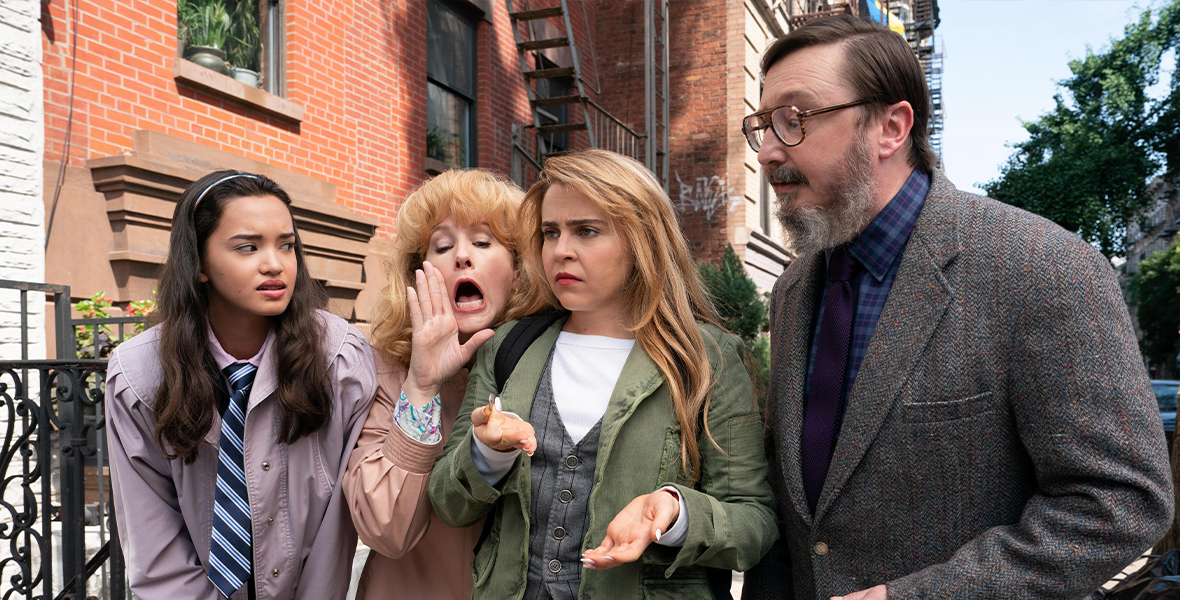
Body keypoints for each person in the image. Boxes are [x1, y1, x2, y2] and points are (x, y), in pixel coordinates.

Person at [739, 15, 1173, 600]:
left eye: (794, 121)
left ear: (891, 127)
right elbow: (799, 512)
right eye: (762, 125)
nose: (767, 152)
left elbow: (1120, 503)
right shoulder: (795, 287)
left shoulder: (1041, 266)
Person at [428, 149, 778, 600]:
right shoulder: (510, 346)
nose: (560, 251)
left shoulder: (706, 358)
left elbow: (754, 522)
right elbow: (448, 503)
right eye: (550, 232)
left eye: (586, 231)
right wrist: (486, 455)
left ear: (642, 239)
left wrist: (675, 512)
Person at [106, 171, 378, 599]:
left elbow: (333, 533)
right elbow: (151, 538)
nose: (274, 263)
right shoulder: (139, 375)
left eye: (286, 245)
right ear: (198, 263)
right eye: (248, 247)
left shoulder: (339, 359)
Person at [344, 169, 532, 599]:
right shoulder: (383, 372)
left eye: (483, 243)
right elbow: (385, 530)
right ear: (419, 276)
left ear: (520, 271)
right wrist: (422, 386)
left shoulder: (551, 360)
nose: (462, 257)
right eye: (442, 246)